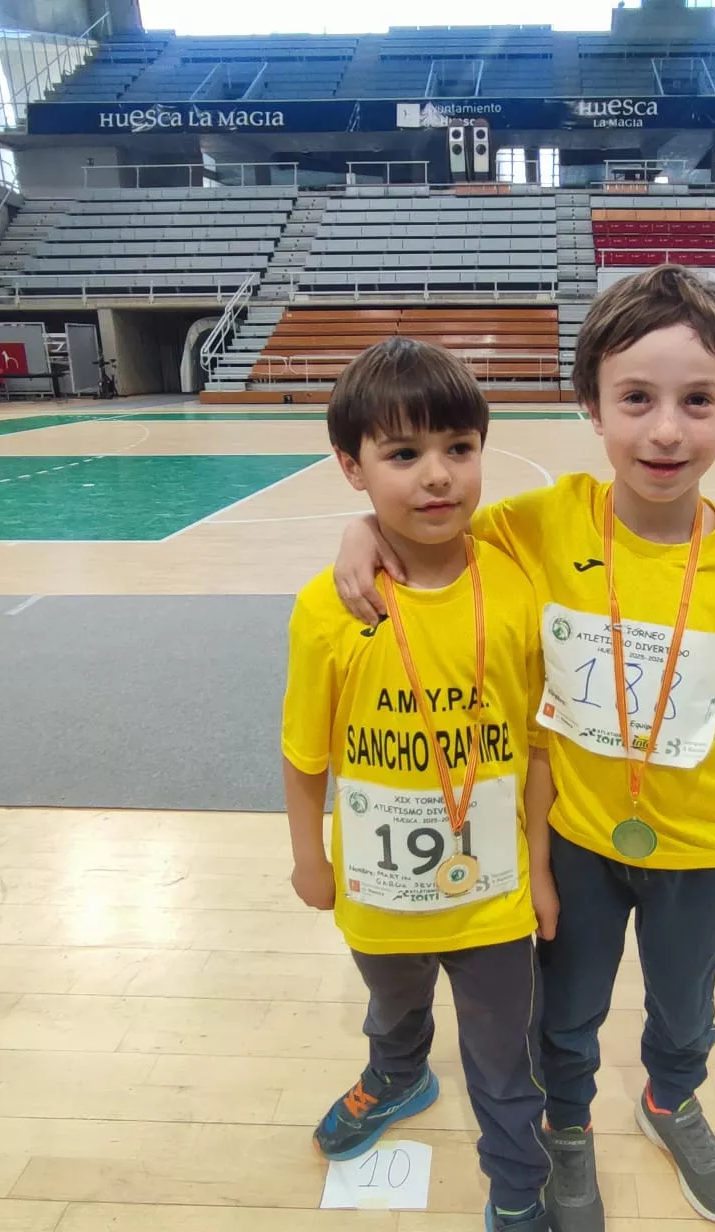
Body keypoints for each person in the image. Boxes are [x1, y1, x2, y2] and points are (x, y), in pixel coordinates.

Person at [330, 265, 715, 1229]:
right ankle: (568, 1127)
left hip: (699, 846)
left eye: (698, 401)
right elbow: (428, 523)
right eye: (636, 399)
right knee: (566, 1014)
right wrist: (358, 531)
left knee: (687, 1006)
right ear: (592, 404)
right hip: (576, 836)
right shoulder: (541, 522)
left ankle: (672, 1098)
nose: (666, 430)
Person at [281, 338, 551, 1232]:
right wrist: (306, 858)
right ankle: (397, 1074)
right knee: (393, 1004)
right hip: (377, 887)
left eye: (459, 449)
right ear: (351, 469)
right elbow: (305, 751)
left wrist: (542, 870)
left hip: (494, 894)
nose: (438, 477)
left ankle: (516, 1186)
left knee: (504, 1057)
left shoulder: (516, 584)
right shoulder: (330, 606)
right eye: (403, 455)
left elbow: (538, 747)